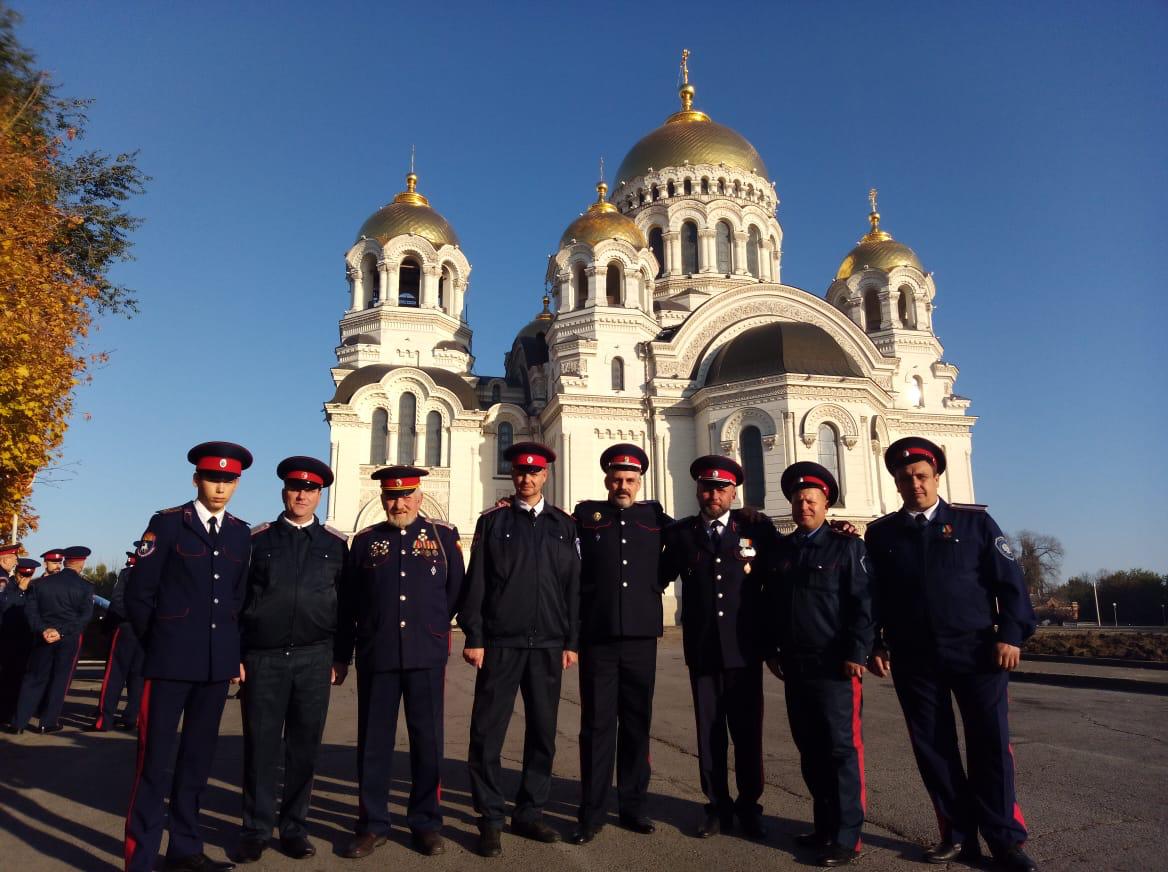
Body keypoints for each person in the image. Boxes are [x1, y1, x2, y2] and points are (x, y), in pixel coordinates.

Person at [865, 437, 1038, 872]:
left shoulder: (975, 524)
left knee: (991, 746)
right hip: (915, 658)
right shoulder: (882, 533)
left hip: (978, 653)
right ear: (896, 483)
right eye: (906, 478)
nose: (915, 484)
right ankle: (958, 836)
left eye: (922, 476)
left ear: (937, 477)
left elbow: (1009, 584)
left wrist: (1012, 634)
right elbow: (872, 596)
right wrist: (875, 642)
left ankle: (1004, 840)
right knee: (934, 748)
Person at [123, 441, 253, 872]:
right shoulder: (167, 524)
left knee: (196, 762)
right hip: (169, 665)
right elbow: (139, 594)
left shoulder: (239, 532)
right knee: (154, 763)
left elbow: (236, 600)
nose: (220, 487)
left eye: (228, 480)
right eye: (213, 478)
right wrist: (159, 644)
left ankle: (184, 849)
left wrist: (232, 656)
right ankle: (140, 858)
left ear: (237, 483)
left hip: (214, 669)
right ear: (197, 479)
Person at [336, 465, 465, 859]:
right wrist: (343, 655)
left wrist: (433, 629)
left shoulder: (442, 538)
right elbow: (348, 603)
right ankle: (372, 824)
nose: (399, 502)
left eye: (407, 494)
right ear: (382, 499)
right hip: (379, 655)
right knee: (374, 745)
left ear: (420, 496)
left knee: (428, 743)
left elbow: (455, 591)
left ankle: (426, 822)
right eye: (392, 496)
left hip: (425, 655)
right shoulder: (364, 542)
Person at [460, 441, 581, 858]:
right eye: (520, 472)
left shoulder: (563, 524)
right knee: (487, 733)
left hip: (548, 644)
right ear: (513, 476)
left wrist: (571, 640)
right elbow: (477, 582)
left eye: (534, 473)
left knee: (543, 732)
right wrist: (474, 635)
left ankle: (529, 812)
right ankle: (490, 817)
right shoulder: (493, 521)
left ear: (545, 476)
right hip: (501, 643)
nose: (526, 478)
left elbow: (573, 589)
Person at [235, 456, 347, 863]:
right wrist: (238, 654)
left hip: (315, 658)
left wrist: (342, 657)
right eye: (295, 488)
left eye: (311, 489)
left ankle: (295, 827)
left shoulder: (334, 545)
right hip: (263, 658)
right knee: (260, 746)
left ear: (320, 495)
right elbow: (239, 600)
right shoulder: (258, 541)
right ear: (284, 492)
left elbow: (345, 605)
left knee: (304, 749)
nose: (302, 495)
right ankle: (255, 828)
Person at [659, 456, 777, 840]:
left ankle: (749, 806)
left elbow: (783, 573)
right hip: (704, 651)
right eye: (707, 488)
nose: (714, 494)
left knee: (747, 734)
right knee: (709, 733)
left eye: (721, 488)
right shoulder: (681, 535)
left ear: (733, 492)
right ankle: (716, 805)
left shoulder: (757, 531)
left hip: (744, 652)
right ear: (697, 489)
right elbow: (655, 577)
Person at [766, 462, 873, 867]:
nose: (803, 505)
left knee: (842, 750)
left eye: (811, 499)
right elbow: (776, 606)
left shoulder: (846, 546)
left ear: (827, 502)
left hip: (835, 667)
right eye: (797, 499)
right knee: (810, 750)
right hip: (796, 666)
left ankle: (848, 837)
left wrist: (856, 652)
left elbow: (862, 603)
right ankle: (825, 826)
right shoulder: (785, 550)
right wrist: (773, 650)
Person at [569, 443, 670, 845]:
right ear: (607, 480)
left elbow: (690, 543)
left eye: (629, 480)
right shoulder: (586, 516)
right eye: (617, 479)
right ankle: (591, 812)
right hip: (599, 635)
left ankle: (634, 806)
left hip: (642, 637)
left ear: (639, 481)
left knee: (635, 724)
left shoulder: (657, 518)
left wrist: (749, 518)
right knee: (595, 726)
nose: (622, 485)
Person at [7, 545, 94, 734]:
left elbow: (30, 612)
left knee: (33, 679)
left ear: (64, 561)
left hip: (43, 638)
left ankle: (18, 723)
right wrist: (61, 632)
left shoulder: (40, 585)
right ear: (82, 562)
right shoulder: (85, 587)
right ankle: (47, 722)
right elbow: (84, 618)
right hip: (67, 639)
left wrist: (43, 630)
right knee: (59, 680)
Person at [91, 546, 146, 732]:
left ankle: (104, 719)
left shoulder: (127, 574)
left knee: (114, 675)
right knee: (139, 676)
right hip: (147, 632)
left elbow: (117, 601)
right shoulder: (164, 574)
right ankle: (132, 717)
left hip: (127, 628)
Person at [0, 557, 39, 722]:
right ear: (17, 573)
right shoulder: (8, 587)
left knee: (19, 678)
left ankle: (13, 713)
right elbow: (4, 607)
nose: (25, 579)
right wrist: (19, 591)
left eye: (28, 576)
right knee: (6, 678)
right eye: (23, 575)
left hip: (25, 640)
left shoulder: (34, 590)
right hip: (7, 640)